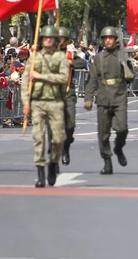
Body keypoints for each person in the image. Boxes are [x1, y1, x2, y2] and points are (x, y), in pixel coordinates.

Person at [21, 25, 69, 187]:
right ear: (41, 40)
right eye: (45, 38)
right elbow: (25, 81)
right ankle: (40, 171)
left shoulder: (60, 57)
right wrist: (26, 102)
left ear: (55, 40)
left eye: (51, 38)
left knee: (58, 138)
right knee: (39, 137)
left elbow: (63, 78)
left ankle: (54, 162)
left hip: (55, 101)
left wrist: (41, 76)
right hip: (38, 102)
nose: (48, 40)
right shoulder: (34, 58)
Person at [84, 27, 133, 175]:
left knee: (122, 128)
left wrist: (128, 69)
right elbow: (92, 79)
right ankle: (107, 160)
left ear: (115, 39)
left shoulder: (122, 55)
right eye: (105, 38)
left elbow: (131, 77)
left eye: (110, 38)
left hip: (119, 95)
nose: (108, 40)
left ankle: (118, 148)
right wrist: (88, 98)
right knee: (103, 133)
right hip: (104, 96)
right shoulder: (99, 57)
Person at [58, 27, 88, 166]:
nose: (60, 42)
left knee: (70, 125)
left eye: (63, 39)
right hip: (51, 94)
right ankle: (54, 154)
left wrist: (70, 63)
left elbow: (82, 63)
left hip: (68, 92)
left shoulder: (69, 54)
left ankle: (66, 147)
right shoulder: (48, 54)